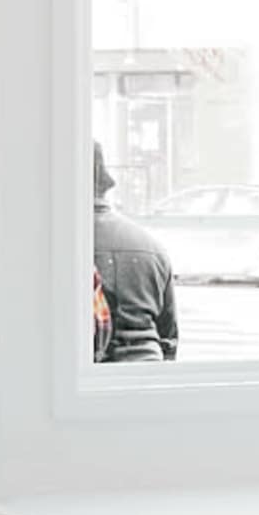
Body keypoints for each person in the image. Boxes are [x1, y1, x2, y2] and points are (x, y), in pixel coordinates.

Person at [93, 148, 179, 362]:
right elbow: (169, 338)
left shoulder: (58, 247)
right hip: (149, 374)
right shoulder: (152, 246)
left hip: (92, 382)